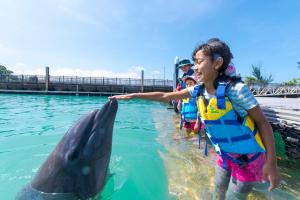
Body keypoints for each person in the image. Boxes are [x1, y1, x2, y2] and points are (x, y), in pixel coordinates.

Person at [109, 38, 280, 199]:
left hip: (249, 159)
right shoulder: (198, 90)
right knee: (218, 189)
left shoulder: (236, 89)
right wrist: (134, 95)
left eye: (199, 62)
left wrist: (271, 163)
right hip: (225, 155)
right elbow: (165, 95)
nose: (195, 67)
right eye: (195, 63)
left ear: (217, 63)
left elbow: (263, 124)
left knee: (236, 196)